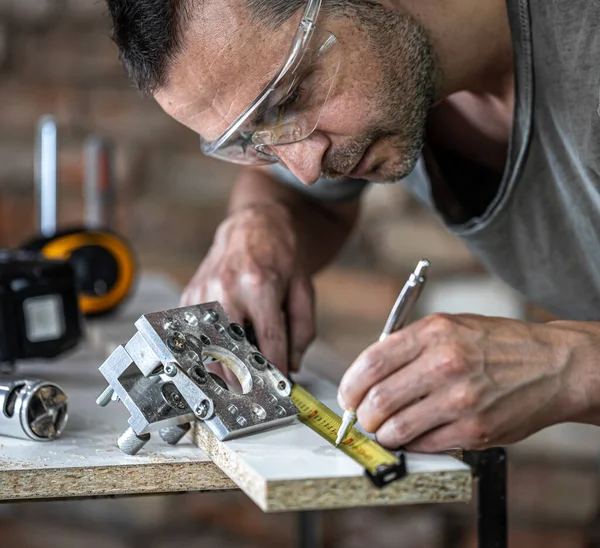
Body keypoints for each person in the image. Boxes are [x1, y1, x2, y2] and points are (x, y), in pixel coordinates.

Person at [104, 0, 600, 452]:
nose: (304, 166)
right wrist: (262, 222)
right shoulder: (386, 56)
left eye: (290, 97)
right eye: (255, 139)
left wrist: (571, 369)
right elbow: (305, 197)